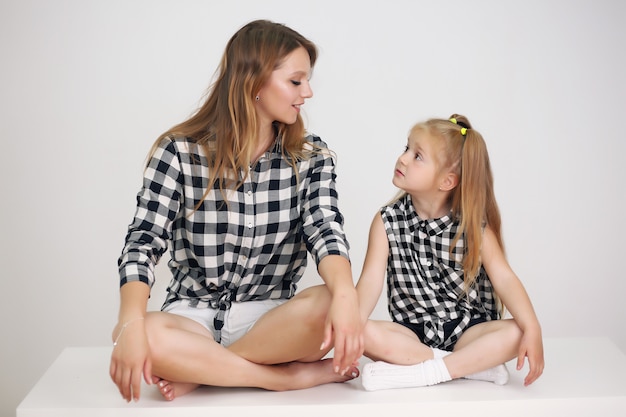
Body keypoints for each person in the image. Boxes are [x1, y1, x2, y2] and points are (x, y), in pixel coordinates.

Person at [109, 19, 363, 403]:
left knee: (331, 300)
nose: (307, 92)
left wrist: (345, 295)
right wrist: (129, 323)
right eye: (296, 81)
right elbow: (143, 242)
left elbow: (325, 228)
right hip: (190, 316)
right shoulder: (178, 150)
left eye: (306, 81)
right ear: (254, 82)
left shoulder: (312, 156)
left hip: (271, 323)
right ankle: (285, 380)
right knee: (139, 333)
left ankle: (206, 371)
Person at [356, 114, 544, 391]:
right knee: (358, 330)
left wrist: (533, 328)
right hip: (413, 335)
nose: (403, 158)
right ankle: (469, 367)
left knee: (517, 331)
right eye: (406, 148)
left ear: (447, 182)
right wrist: (351, 328)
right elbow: (370, 282)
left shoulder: (473, 228)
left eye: (417, 156)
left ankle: (427, 372)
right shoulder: (386, 221)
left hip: (468, 331)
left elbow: (505, 279)